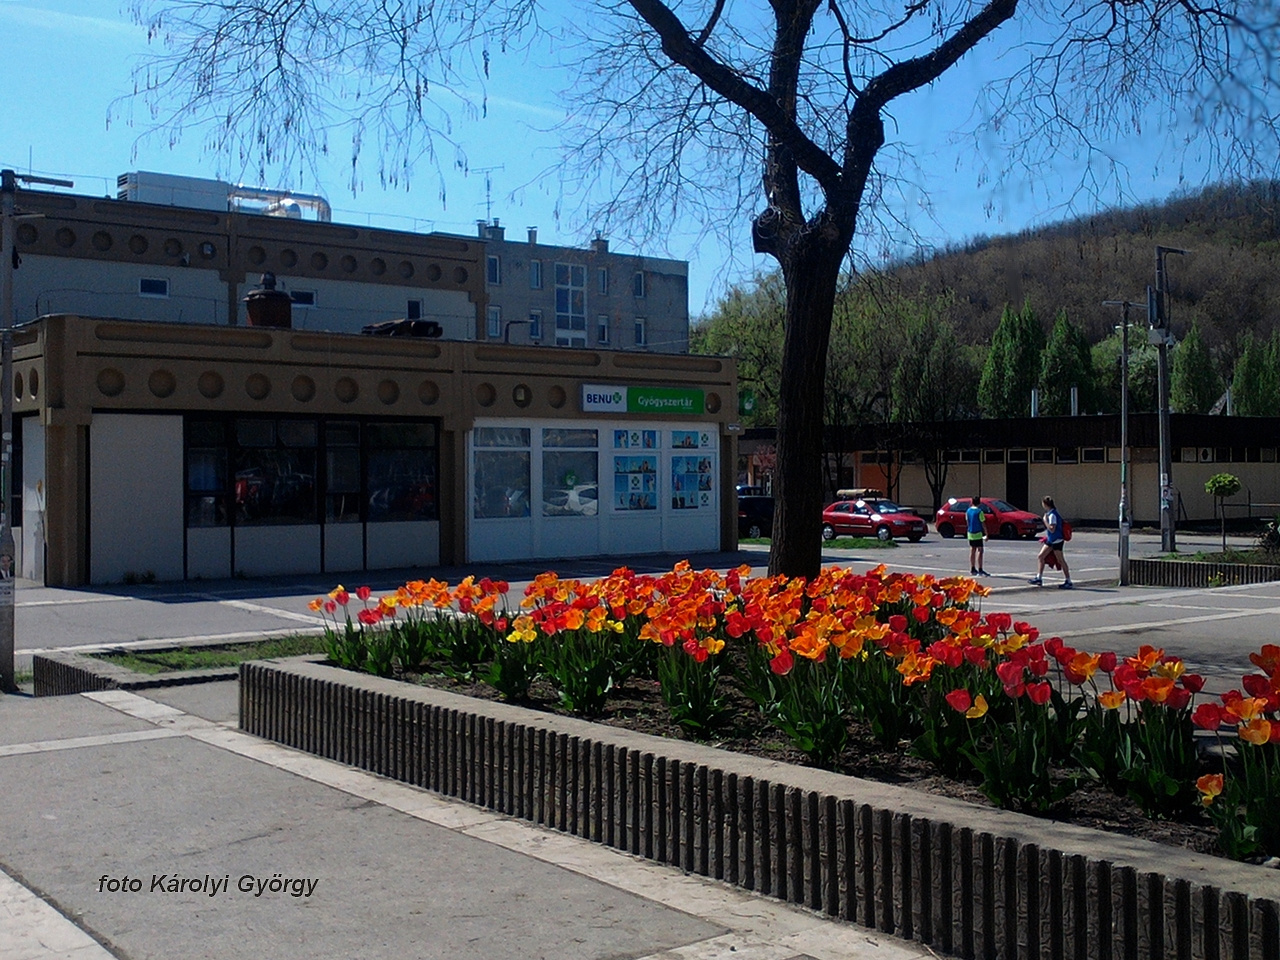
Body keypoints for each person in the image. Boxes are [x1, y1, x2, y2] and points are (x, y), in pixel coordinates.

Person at [1030, 496, 1072, 589]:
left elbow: (1052, 529)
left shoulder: (1052, 515)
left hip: (1056, 540)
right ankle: (1039, 577)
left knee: (1061, 560)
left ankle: (1068, 580)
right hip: (1051, 540)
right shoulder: (1050, 513)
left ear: (1045, 504)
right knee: (1041, 556)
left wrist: (1045, 521)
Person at [965, 495, 989, 576]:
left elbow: (967, 522)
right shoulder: (980, 512)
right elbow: (983, 523)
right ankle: (980, 568)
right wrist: (986, 533)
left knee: (972, 550)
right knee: (980, 551)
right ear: (979, 503)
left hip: (970, 533)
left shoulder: (968, 511)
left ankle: (972, 568)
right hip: (978, 533)